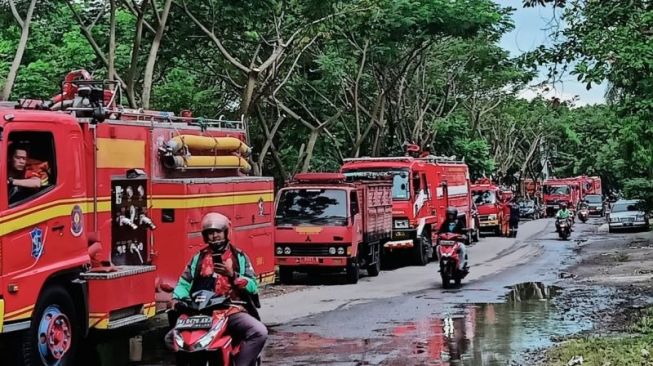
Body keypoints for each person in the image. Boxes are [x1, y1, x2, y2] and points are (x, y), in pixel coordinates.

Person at [168, 212, 267, 366]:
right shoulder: (198, 258)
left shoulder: (239, 257)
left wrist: (233, 275)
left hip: (231, 310)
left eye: (217, 232)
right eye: (210, 233)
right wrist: (176, 298)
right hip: (200, 312)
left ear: (226, 233)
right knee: (171, 338)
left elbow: (253, 285)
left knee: (259, 332)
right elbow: (184, 282)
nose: (214, 236)